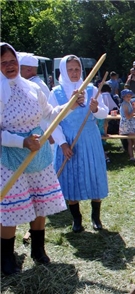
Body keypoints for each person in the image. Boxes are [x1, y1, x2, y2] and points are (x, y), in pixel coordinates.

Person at [0, 43, 81, 275]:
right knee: (11, 208)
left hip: (39, 155)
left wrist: (70, 105)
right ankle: (6, 258)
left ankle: (38, 250)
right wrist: (22, 142)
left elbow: (51, 114)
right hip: (11, 156)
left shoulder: (33, 88)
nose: (9, 66)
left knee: (39, 203)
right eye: (3, 63)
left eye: (12, 61)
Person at [49, 54, 109, 233]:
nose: (74, 73)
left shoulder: (91, 89)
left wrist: (96, 109)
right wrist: (62, 144)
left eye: (77, 69)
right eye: (70, 70)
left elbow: (104, 113)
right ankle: (77, 219)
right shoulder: (56, 92)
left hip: (90, 139)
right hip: (69, 141)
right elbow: (52, 121)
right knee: (71, 178)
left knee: (94, 175)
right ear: (64, 71)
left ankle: (96, 217)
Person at [119, 89, 135, 161]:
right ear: (123, 97)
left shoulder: (128, 103)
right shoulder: (125, 104)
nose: (129, 97)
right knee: (134, 140)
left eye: (130, 96)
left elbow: (129, 113)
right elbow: (127, 116)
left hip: (129, 123)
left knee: (132, 141)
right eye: (127, 96)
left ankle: (134, 156)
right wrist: (134, 110)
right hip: (127, 124)